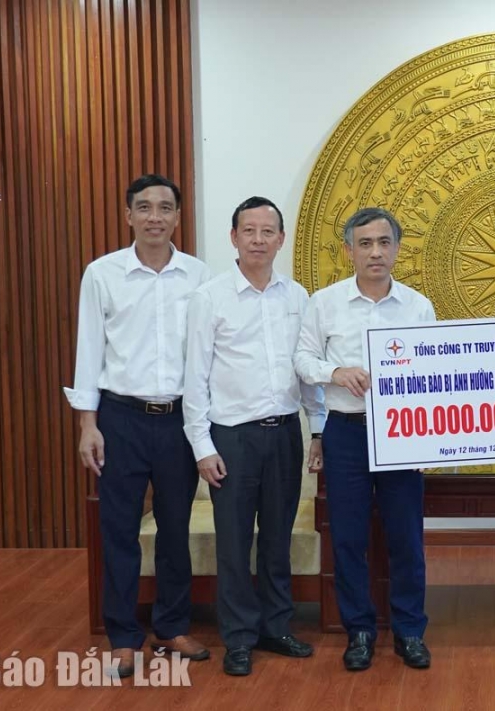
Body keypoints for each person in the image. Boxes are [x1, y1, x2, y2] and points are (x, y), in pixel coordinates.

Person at [64, 174, 211, 678]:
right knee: (120, 531)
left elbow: (207, 355)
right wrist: (88, 425)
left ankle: (171, 626)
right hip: (120, 418)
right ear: (128, 215)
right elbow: (89, 351)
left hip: (178, 421)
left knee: (175, 529)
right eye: (144, 207)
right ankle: (124, 636)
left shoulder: (199, 277)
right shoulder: (102, 274)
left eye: (165, 207)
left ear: (177, 217)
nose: (155, 216)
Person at [183, 196, 324, 677]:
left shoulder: (297, 297)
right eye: (249, 231)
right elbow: (195, 378)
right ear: (234, 237)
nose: (258, 240)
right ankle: (239, 637)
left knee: (277, 539)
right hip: (232, 439)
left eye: (268, 232)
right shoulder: (209, 298)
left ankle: (276, 626)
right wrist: (202, 448)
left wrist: (317, 428)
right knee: (234, 541)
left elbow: (306, 370)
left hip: (284, 434)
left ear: (281, 239)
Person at [294, 207, 436, 672]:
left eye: (384, 242)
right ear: (348, 250)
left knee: (406, 538)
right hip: (347, 432)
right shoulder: (324, 303)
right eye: (365, 243)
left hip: (403, 433)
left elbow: (435, 374)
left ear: (397, 248)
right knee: (349, 538)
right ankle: (358, 631)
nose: (375, 252)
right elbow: (302, 361)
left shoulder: (417, 306)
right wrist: (336, 372)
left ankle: (410, 630)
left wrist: (433, 439)